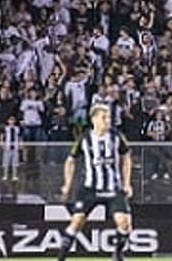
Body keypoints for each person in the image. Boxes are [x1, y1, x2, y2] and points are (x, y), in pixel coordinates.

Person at [57, 103, 133, 261]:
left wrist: (127, 183)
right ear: (94, 119)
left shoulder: (116, 136)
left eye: (108, 117)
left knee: (124, 223)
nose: (107, 121)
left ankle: (118, 253)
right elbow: (70, 161)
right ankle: (61, 257)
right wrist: (67, 184)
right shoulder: (84, 138)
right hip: (90, 188)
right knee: (77, 222)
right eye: (103, 117)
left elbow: (126, 158)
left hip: (114, 187)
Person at [1, 115, 21, 182]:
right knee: (6, 162)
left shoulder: (17, 129)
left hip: (15, 147)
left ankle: (14, 175)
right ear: (8, 121)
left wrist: (20, 144)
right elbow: (2, 136)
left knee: (15, 163)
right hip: (7, 147)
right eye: (10, 120)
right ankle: (5, 175)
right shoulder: (5, 128)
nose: (11, 121)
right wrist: (2, 144)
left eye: (13, 120)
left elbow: (19, 137)